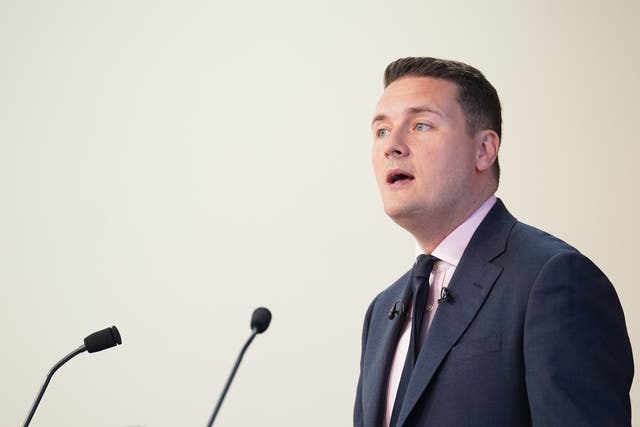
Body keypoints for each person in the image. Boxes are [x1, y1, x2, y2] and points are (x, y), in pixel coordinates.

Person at [354, 57, 633, 427]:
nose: (393, 146)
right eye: (382, 131)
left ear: (484, 150)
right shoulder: (382, 310)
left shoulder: (554, 280)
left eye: (421, 125)